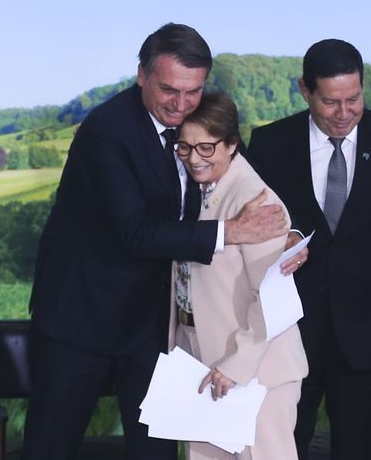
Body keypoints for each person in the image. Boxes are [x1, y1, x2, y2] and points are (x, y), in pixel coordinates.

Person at [23, 23, 293, 459]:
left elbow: (251, 186)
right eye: (170, 90)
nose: (182, 104)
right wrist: (233, 232)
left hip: (153, 326)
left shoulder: (200, 120)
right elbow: (136, 234)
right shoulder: (105, 132)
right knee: (51, 448)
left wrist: (288, 234)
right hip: (81, 319)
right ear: (141, 75)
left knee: (157, 452)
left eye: (194, 91)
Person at [248, 39, 371, 460]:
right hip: (289, 330)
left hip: (369, 331)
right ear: (304, 90)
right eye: (331, 102)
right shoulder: (269, 145)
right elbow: (251, 232)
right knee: (281, 447)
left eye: (354, 99)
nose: (344, 113)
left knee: (359, 449)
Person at [169, 92, 308, 460]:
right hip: (201, 363)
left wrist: (237, 365)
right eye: (184, 148)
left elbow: (272, 296)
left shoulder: (256, 200)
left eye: (206, 148)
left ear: (232, 144)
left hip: (258, 371)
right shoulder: (192, 190)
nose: (194, 159)